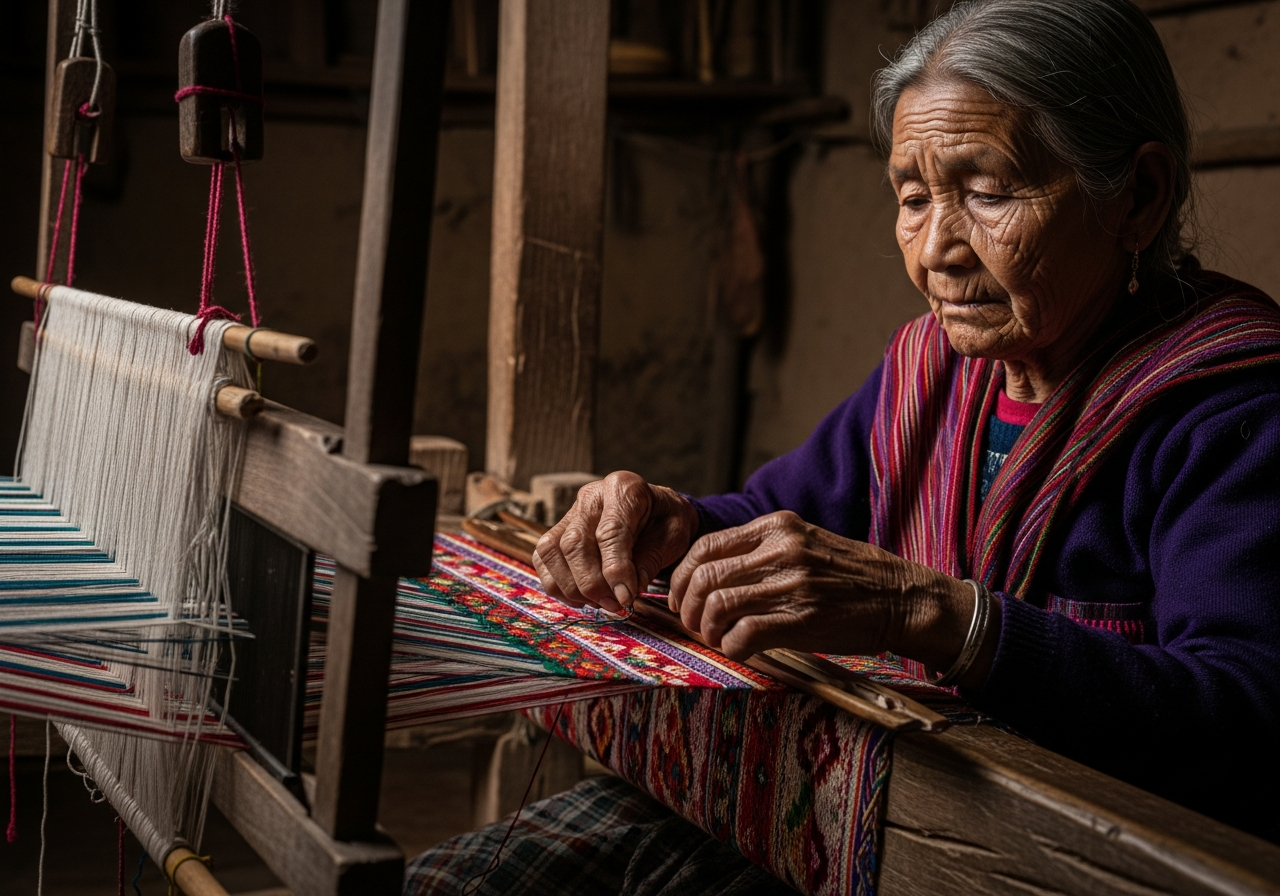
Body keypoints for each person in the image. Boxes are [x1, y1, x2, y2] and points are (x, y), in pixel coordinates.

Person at [406, 1, 1280, 892]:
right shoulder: (929, 374)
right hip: (854, 809)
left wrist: (931, 615)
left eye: (987, 191)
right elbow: (776, 517)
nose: (937, 248)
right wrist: (673, 522)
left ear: (1137, 196)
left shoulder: (1229, 409)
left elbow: (1248, 717)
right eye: (912, 197)